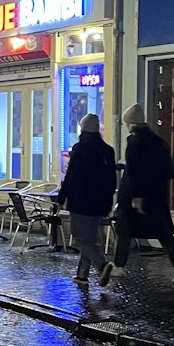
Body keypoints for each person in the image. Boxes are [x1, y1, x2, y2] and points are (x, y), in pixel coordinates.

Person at [101, 104, 174, 287]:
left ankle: (118, 265)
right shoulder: (158, 141)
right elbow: (169, 170)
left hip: (136, 197)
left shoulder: (135, 142)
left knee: (123, 230)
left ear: (130, 123)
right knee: (163, 233)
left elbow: (135, 171)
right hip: (157, 196)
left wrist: (136, 196)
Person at [57, 113, 116, 285]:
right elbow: (112, 179)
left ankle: (102, 264)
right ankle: (82, 275)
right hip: (100, 202)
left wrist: (62, 197)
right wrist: (108, 201)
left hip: (81, 201)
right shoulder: (107, 151)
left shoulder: (80, 149)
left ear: (83, 129)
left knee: (78, 238)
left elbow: (71, 175)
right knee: (89, 238)